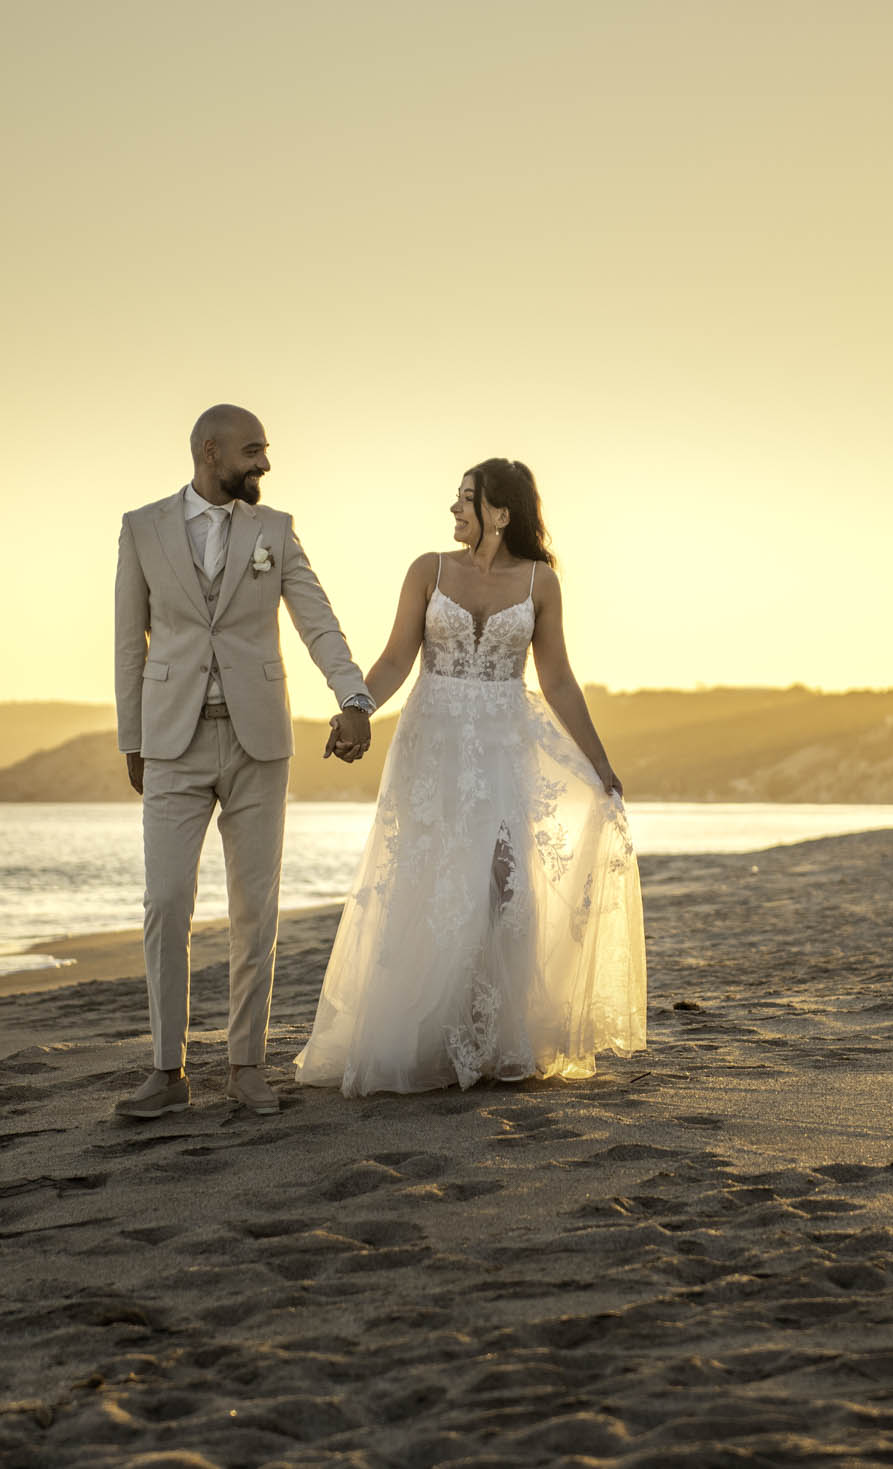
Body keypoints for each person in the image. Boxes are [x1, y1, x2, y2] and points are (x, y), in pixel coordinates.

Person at [294, 459, 646, 1095]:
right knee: (427, 878)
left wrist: (599, 762)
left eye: (466, 500)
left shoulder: (541, 583)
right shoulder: (428, 571)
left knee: (504, 888)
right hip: (432, 745)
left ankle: (489, 1036)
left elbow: (559, 679)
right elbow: (398, 657)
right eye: (456, 499)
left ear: (501, 513)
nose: (454, 510)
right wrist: (355, 711)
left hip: (504, 745)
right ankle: (423, 1039)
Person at [111, 404, 375, 1119]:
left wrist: (353, 695)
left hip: (259, 740)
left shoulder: (275, 531)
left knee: (254, 908)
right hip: (172, 741)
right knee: (166, 901)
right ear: (209, 451)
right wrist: (130, 738)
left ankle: (245, 1063)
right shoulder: (141, 528)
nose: (263, 462)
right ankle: (167, 1071)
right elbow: (129, 644)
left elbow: (316, 618)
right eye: (253, 449)